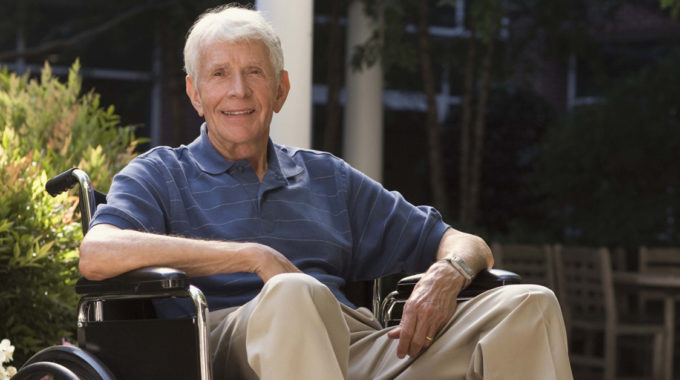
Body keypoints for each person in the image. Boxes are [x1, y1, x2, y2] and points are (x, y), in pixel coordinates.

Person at [79, 4, 573, 380]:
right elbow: (97, 253)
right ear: (194, 94)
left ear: (281, 89)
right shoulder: (162, 173)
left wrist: (449, 271)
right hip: (225, 342)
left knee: (528, 304)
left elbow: (466, 242)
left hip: (352, 343)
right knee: (293, 293)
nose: (239, 91)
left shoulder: (326, 178)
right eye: (219, 74)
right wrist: (251, 257)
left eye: (254, 72)